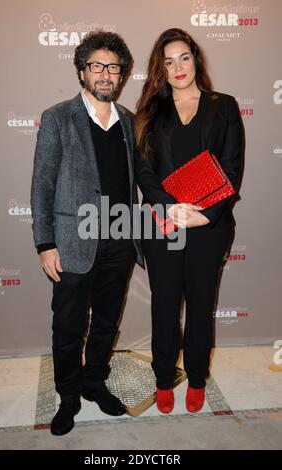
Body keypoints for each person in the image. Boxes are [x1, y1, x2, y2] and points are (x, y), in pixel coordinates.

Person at [31, 30, 143, 436]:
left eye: (113, 67)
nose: (105, 74)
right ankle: (69, 397)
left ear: (122, 74)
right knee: (68, 326)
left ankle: (95, 383)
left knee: (107, 322)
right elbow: (42, 185)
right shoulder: (58, 117)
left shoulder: (130, 121)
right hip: (73, 243)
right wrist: (46, 243)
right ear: (81, 71)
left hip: (120, 241)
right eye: (96, 66)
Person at [135, 28, 242, 414]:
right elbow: (144, 172)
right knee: (164, 305)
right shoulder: (149, 111)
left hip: (208, 228)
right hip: (163, 226)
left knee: (200, 305)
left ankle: (197, 379)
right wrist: (170, 209)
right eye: (168, 61)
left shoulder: (224, 106)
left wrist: (205, 215)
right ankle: (164, 379)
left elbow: (231, 168)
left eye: (184, 57)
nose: (178, 67)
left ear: (196, 59)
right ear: (160, 69)